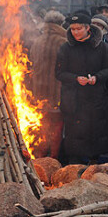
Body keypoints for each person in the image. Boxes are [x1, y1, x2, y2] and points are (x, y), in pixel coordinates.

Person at [55, 12, 108, 164]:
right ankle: (73, 169)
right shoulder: (66, 48)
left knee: (95, 136)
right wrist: (75, 79)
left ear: (88, 28)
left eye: (78, 29)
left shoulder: (100, 47)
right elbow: (59, 73)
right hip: (73, 101)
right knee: (74, 139)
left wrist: (97, 78)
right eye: (73, 29)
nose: (75, 32)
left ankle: (94, 167)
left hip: (96, 100)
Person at [28, 10, 67, 158]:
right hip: (57, 92)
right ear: (60, 24)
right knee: (57, 128)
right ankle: (53, 160)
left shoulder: (37, 41)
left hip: (38, 93)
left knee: (42, 128)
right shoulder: (63, 42)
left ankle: (40, 159)